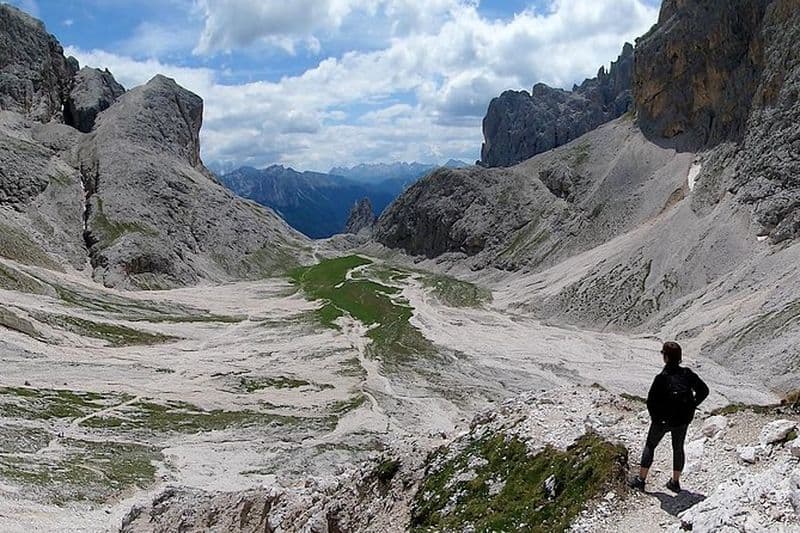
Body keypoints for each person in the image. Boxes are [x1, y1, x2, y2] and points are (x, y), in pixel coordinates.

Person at [629, 341, 709, 493]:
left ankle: (641, 480)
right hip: (682, 419)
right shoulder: (687, 374)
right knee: (678, 448)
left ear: (665, 357)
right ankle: (675, 482)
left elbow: (651, 402)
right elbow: (704, 391)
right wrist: (692, 405)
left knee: (650, 445)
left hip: (663, 420)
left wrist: (657, 419)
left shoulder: (661, 378)